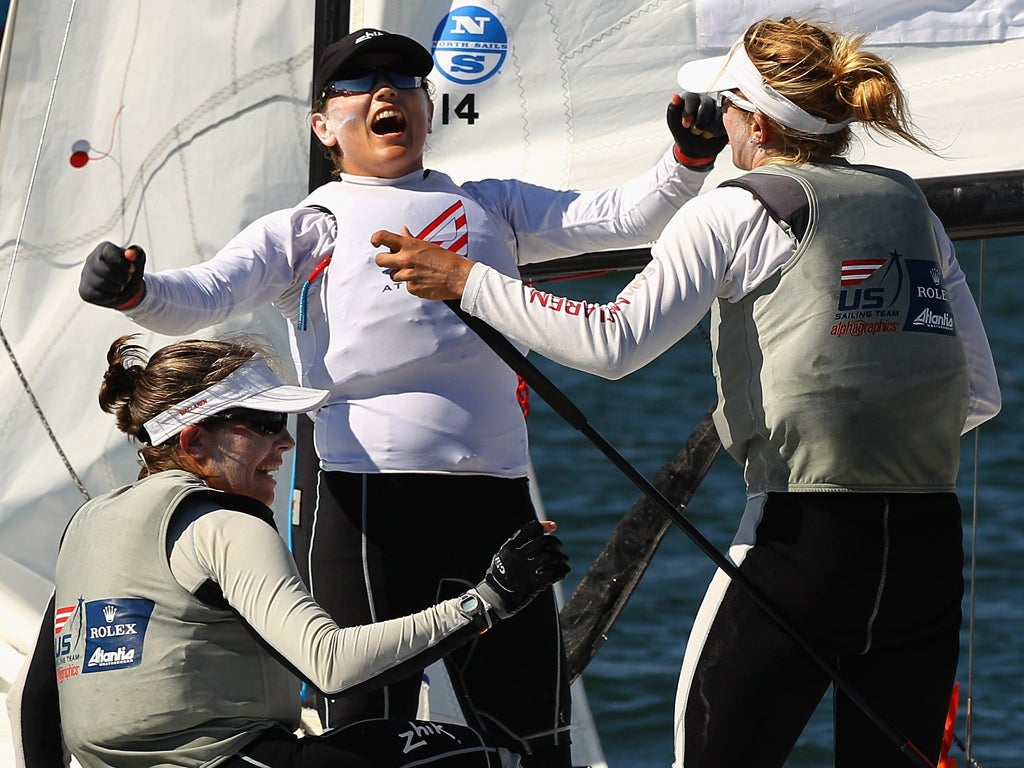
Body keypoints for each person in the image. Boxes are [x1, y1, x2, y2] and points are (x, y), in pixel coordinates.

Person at [75, 26, 728, 766]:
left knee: (535, 743)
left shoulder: (492, 206)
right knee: (362, 743)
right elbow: (203, 293)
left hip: (495, 505)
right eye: (358, 83)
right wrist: (134, 291)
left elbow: (625, 215)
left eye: (403, 79)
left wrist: (688, 160)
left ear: (425, 107)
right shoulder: (311, 225)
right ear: (323, 125)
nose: (386, 91)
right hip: (365, 511)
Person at [372, 16, 1002, 768]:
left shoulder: (734, 208)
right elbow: (979, 395)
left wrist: (466, 279)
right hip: (927, 548)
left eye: (725, 106)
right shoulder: (913, 209)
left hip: (802, 546)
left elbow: (612, 342)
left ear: (753, 122)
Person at [6, 334, 570, 768]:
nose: (285, 442)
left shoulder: (86, 527)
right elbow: (331, 666)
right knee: (466, 755)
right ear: (192, 439)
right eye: (264, 423)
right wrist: (489, 599)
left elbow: (41, 697)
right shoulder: (223, 524)